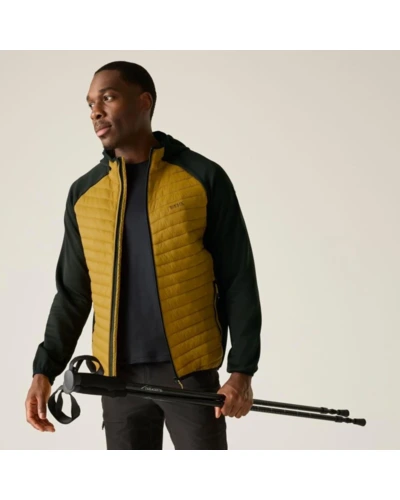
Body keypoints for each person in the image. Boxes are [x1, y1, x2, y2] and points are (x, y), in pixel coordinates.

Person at [25, 61, 262, 449]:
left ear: (144, 101)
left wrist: (242, 371)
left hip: (190, 374)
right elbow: (72, 294)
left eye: (108, 98)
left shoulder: (202, 177)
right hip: (116, 380)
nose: (96, 111)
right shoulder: (84, 194)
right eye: (90, 104)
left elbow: (238, 278)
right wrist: (44, 371)